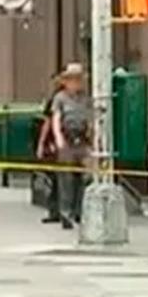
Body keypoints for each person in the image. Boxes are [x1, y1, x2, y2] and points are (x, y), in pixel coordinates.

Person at [50, 63, 93, 230]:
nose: (76, 83)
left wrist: (92, 137)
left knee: (86, 177)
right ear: (66, 82)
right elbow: (56, 119)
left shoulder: (85, 98)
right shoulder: (60, 98)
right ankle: (65, 213)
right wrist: (58, 138)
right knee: (66, 178)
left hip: (83, 141)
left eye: (78, 79)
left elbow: (90, 119)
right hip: (67, 140)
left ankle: (80, 211)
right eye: (72, 80)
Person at [35, 75, 65, 224]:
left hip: (69, 143)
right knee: (55, 178)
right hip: (56, 144)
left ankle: (65, 211)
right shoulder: (55, 99)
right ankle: (57, 211)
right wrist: (42, 144)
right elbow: (47, 123)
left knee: (66, 179)